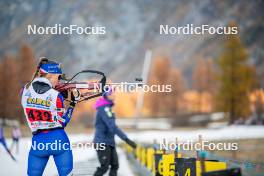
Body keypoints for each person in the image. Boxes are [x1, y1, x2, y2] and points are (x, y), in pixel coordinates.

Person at [21, 58, 80, 176]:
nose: (58, 82)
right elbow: (62, 122)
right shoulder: (56, 95)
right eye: (58, 77)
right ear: (52, 76)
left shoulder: (24, 91)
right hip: (58, 140)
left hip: (38, 143)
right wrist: (73, 103)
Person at [93, 88, 137, 176]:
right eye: (110, 94)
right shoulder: (104, 108)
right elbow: (112, 126)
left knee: (115, 165)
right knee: (104, 167)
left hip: (109, 142)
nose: (113, 95)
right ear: (105, 95)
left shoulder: (108, 107)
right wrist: (126, 139)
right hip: (102, 142)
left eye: (113, 93)